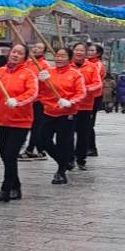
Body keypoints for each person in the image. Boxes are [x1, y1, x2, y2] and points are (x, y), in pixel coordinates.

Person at [0, 43, 39, 203]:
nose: (15, 55)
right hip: (2, 119)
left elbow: (33, 93)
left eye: (19, 53)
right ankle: (16, 187)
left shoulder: (28, 74)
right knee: (5, 156)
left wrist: (18, 101)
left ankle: (6, 189)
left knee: (11, 154)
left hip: (21, 121)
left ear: (25, 58)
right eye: (14, 52)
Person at [36, 45, 86, 184]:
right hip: (49, 111)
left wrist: (70, 102)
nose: (59, 58)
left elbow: (81, 92)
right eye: (57, 55)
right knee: (43, 140)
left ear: (69, 59)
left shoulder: (76, 74)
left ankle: (60, 172)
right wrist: (40, 81)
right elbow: (39, 92)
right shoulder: (47, 72)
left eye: (63, 56)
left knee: (62, 142)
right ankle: (64, 162)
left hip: (67, 113)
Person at [71, 43, 101, 169]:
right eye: (76, 50)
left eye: (82, 50)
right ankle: (69, 158)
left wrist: (84, 89)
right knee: (68, 134)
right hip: (70, 106)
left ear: (86, 53)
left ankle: (81, 159)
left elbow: (97, 83)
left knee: (83, 134)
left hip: (85, 106)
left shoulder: (92, 67)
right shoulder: (68, 66)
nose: (79, 52)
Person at [21, 41, 50, 159]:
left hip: (39, 99)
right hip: (27, 99)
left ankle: (30, 148)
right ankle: (41, 149)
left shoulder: (44, 65)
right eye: (35, 46)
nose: (36, 49)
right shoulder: (26, 63)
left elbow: (49, 83)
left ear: (43, 51)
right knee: (28, 124)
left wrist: (44, 79)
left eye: (39, 48)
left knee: (35, 125)